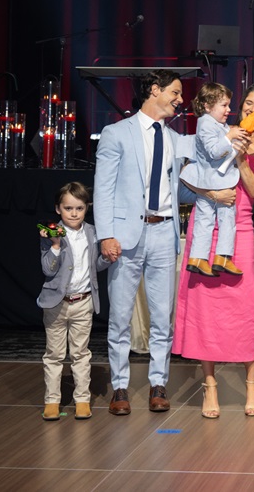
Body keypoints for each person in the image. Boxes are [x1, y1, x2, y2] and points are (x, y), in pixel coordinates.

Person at [174, 83, 254, 419]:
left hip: (240, 225)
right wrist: (210, 191)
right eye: (246, 104)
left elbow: (253, 187)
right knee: (205, 306)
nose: (249, 110)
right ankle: (210, 385)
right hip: (206, 221)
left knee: (243, 305)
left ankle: (252, 382)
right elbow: (185, 179)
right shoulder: (217, 133)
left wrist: (240, 151)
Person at [94, 69, 193, 416]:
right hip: (125, 235)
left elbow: (179, 188)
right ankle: (119, 386)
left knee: (162, 317)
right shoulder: (116, 133)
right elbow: (103, 187)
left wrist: (213, 190)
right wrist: (106, 233)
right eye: (176, 92)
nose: (181, 100)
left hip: (165, 232)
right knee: (120, 316)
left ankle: (158, 383)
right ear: (155, 90)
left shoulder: (176, 139)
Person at [37, 182, 112, 421]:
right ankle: (52, 400)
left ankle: (82, 399)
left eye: (79, 208)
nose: (73, 213)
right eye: (68, 208)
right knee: (54, 354)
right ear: (58, 209)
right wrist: (56, 246)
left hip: (83, 302)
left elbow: (94, 266)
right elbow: (48, 270)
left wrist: (108, 259)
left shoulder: (92, 232)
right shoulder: (50, 233)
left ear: (86, 208)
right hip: (56, 304)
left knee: (81, 353)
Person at [182, 82, 249, 277]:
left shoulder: (216, 124)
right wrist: (229, 137)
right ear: (207, 106)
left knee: (205, 220)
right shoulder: (206, 123)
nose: (229, 110)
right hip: (218, 180)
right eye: (224, 105)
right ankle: (223, 257)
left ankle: (198, 258)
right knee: (227, 220)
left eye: (229, 105)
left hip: (210, 180)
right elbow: (214, 151)